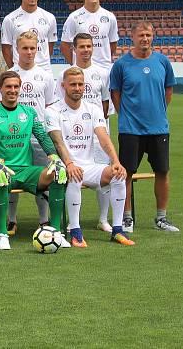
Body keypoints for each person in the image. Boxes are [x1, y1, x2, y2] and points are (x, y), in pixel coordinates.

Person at [0, 71, 69, 250]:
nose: (12, 90)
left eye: (16, 86)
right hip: (1, 168)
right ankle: (3, 234)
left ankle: (56, 232)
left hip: (26, 170)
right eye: (8, 87)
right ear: (0, 89)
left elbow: (42, 136)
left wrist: (54, 156)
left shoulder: (29, 112)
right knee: (1, 177)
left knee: (58, 173)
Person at [45, 68, 134, 247]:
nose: (77, 88)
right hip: (65, 167)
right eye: (73, 84)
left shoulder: (93, 109)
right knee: (74, 176)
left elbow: (103, 137)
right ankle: (76, 232)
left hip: (90, 166)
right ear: (63, 86)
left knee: (118, 175)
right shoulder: (53, 110)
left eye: (80, 84)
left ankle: (117, 230)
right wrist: (69, 163)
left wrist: (115, 162)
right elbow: (58, 141)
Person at [109, 21, 178, 233]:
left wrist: (157, 113)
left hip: (158, 129)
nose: (145, 39)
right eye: (141, 35)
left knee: (162, 171)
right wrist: (129, 117)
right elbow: (116, 95)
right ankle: (127, 218)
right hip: (131, 129)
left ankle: (161, 218)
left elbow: (167, 92)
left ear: (153, 37)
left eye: (148, 35)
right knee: (126, 173)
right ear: (133, 37)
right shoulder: (121, 65)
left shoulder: (163, 62)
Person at [3, 31, 60, 233]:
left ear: (38, 49)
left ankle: (43, 220)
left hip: (38, 137)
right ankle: (11, 219)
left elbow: (51, 107)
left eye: (32, 48)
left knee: (43, 178)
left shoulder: (45, 75)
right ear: (16, 50)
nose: (28, 52)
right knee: (11, 176)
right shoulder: (8, 74)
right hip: (13, 137)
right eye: (24, 48)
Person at [67, 32, 115, 232]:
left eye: (89, 46)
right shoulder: (67, 73)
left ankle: (103, 219)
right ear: (74, 49)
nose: (86, 50)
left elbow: (105, 104)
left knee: (104, 176)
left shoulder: (103, 72)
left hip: (97, 134)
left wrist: (98, 127)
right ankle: (72, 221)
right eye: (82, 47)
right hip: (75, 135)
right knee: (71, 177)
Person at [60, 0, 119, 70]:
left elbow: (113, 44)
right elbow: (65, 46)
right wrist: (75, 64)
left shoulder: (110, 17)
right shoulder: (73, 17)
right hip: (82, 70)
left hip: (104, 69)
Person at [1, 0, 57, 70]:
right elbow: (6, 48)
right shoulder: (10, 19)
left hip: (44, 70)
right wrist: (15, 68)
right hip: (20, 71)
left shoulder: (49, 18)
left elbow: (50, 46)